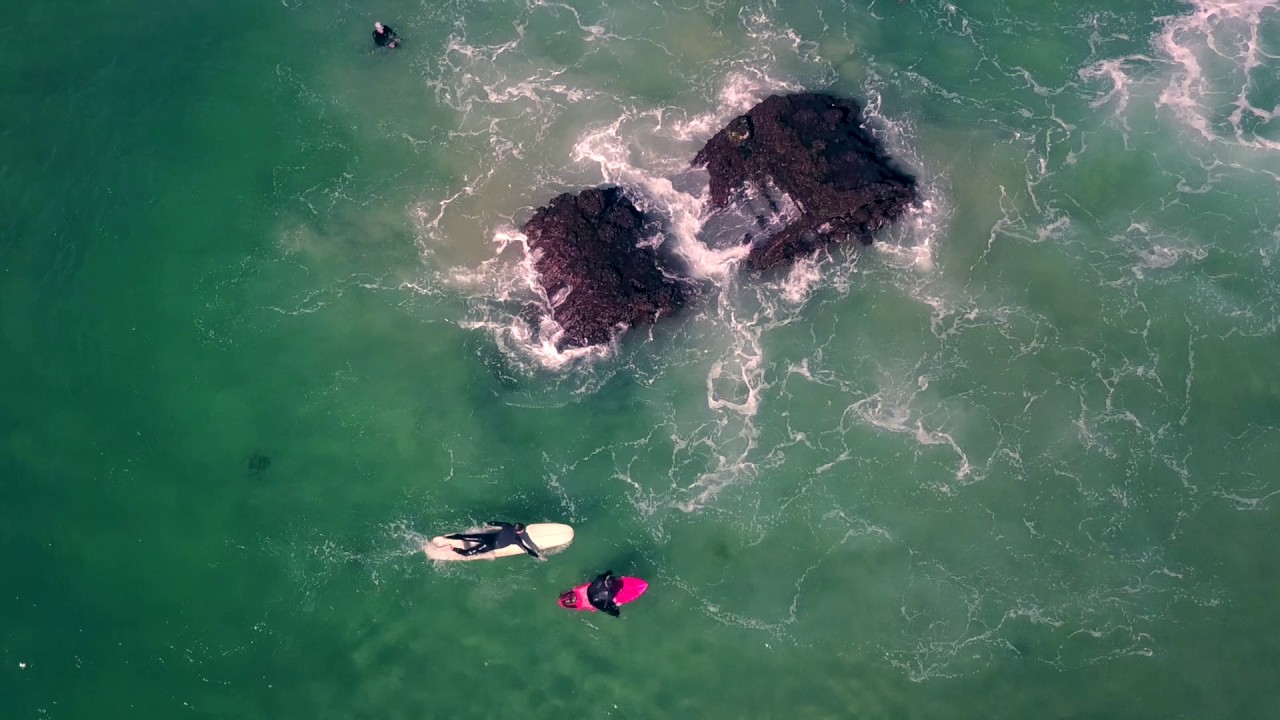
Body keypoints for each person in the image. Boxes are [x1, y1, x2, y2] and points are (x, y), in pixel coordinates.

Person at [446, 521, 543, 559]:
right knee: (467, 553)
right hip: (489, 545)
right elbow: (526, 550)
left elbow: (495, 522)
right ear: (519, 532)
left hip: (487, 537)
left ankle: (447, 538)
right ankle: (453, 549)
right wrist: (538, 556)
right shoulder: (516, 539)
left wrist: (487, 524)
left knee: (465, 537)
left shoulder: (507, 525)